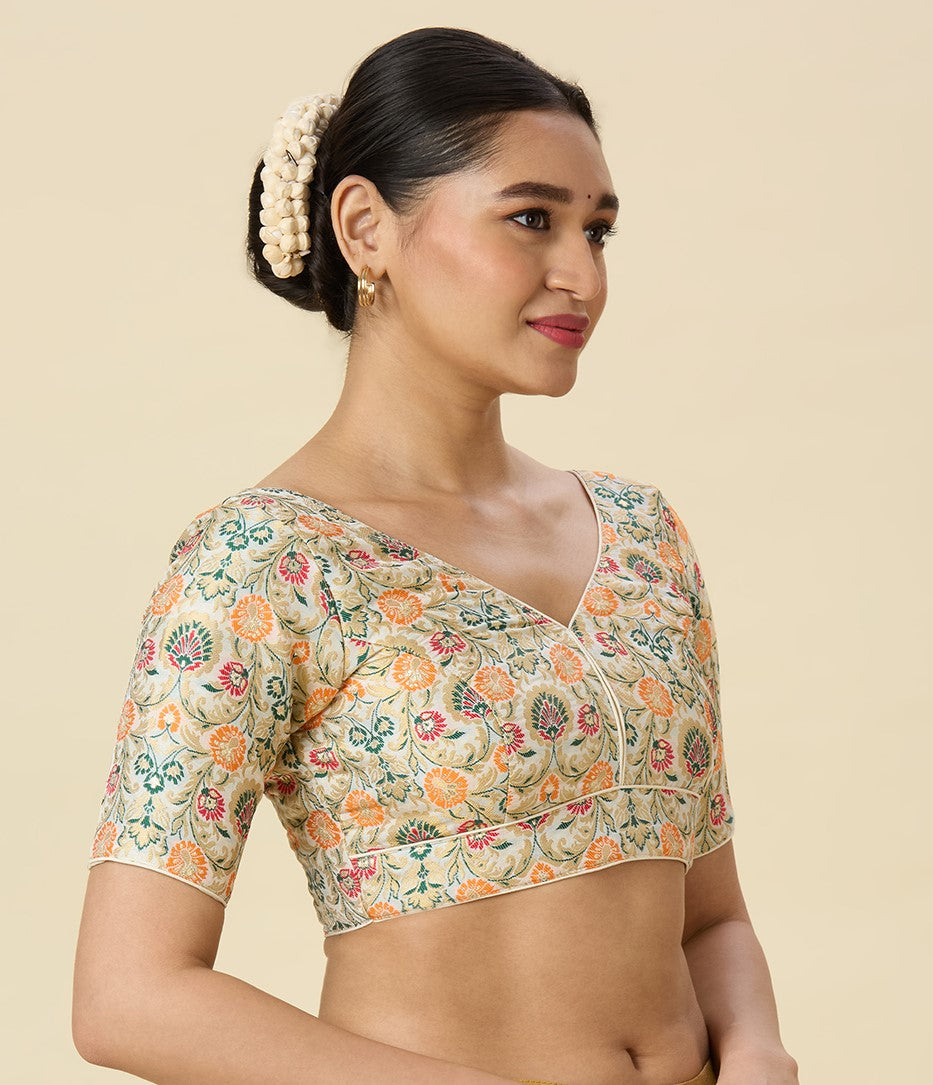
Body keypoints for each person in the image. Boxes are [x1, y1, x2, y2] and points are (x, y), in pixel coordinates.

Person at [72, 25, 799, 1085]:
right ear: (365, 228)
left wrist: (760, 1050)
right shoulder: (264, 564)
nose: (580, 274)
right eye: (531, 218)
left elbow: (709, 915)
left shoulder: (641, 535)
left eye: (598, 231)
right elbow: (128, 997)